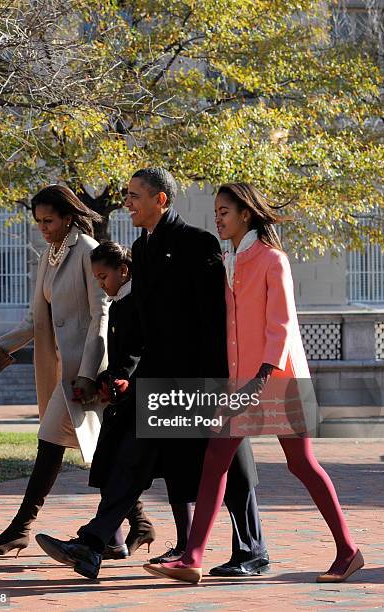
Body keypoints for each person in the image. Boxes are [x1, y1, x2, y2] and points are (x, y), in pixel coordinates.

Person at [36, 169, 268, 580]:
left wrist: (221, 387)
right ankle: (93, 543)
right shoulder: (141, 251)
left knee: (231, 465)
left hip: (201, 380)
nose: (127, 202)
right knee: (134, 459)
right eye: (126, 195)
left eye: (134, 195)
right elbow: (141, 325)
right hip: (159, 381)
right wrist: (123, 373)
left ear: (161, 199)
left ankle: (251, 548)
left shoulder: (198, 244)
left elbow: (216, 322)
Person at [143, 182, 364, 584]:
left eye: (224, 211)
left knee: (302, 464)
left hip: (277, 379)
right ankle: (191, 557)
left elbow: (280, 325)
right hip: (240, 382)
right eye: (216, 212)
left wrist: (260, 379)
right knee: (215, 461)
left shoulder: (271, 260)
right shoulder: (230, 259)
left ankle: (348, 551)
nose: (218, 218)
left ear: (245, 213)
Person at [0, 184, 110, 556]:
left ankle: (20, 529)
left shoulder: (88, 250)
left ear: (68, 217)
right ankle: (138, 524)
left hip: (84, 375)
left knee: (51, 444)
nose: (43, 227)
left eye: (49, 220)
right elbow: (35, 320)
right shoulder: (48, 256)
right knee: (100, 454)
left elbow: (101, 315)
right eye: (38, 222)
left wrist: (89, 371)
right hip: (63, 372)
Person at [89, 241, 155, 559]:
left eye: (103, 277)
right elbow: (118, 358)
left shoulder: (142, 302)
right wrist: (106, 380)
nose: (101, 284)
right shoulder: (116, 306)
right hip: (122, 398)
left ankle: (182, 541)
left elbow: (142, 352)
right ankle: (121, 534)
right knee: (110, 465)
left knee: (134, 470)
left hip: (144, 398)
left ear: (124, 271)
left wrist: (127, 380)